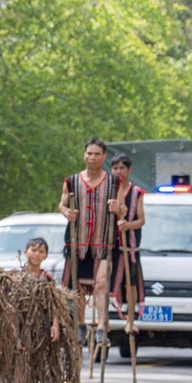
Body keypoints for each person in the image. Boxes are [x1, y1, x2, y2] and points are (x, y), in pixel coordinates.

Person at [58, 137, 125, 347]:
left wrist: (117, 209)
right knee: (76, 286)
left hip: (103, 242)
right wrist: (67, 212)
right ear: (84, 155)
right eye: (89, 153)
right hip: (77, 241)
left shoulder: (114, 183)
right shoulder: (71, 181)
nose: (92, 157)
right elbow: (62, 204)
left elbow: (122, 209)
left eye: (97, 154)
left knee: (101, 284)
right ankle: (80, 324)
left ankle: (103, 326)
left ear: (104, 157)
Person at [11, 237, 81, 383]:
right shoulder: (16, 277)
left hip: (42, 325)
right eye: (33, 250)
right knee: (21, 358)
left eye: (41, 251)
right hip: (22, 324)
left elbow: (53, 304)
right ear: (26, 251)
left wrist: (55, 325)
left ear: (46, 255)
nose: (36, 254)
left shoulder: (47, 278)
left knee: (43, 358)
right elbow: (10, 303)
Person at [108, 153, 147, 332]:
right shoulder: (106, 189)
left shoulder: (136, 193)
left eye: (121, 168)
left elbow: (141, 220)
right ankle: (104, 319)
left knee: (130, 283)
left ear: (128, 170)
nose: (118, 172)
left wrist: (127, 225)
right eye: (115, 168)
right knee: (104, 281)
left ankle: (130, 320)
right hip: (109, 245)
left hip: (128, 245)